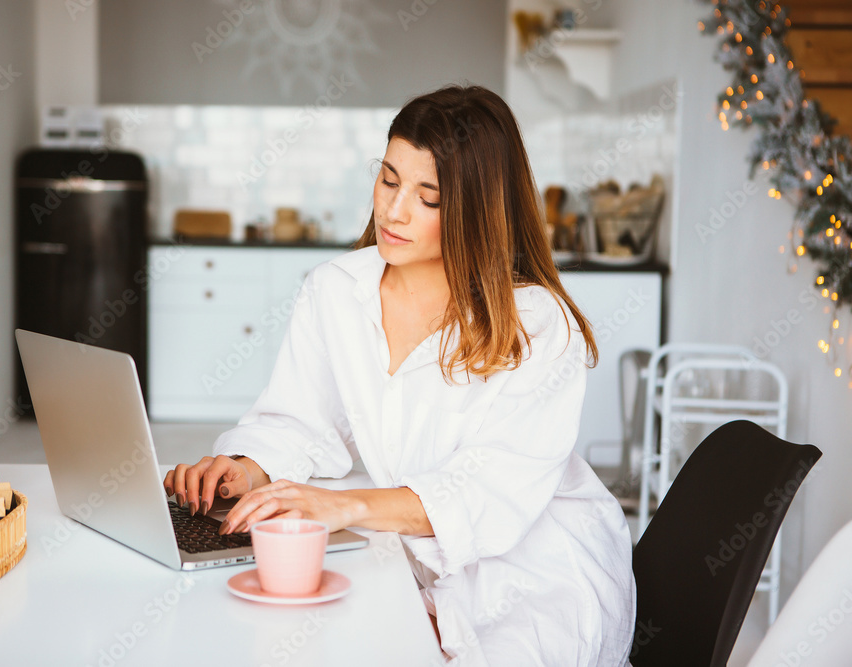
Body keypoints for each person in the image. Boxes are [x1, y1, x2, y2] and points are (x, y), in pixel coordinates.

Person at [165, 84, 636, 666]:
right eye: (388, 180)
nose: (394, 211)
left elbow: (489, 491)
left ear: (477, 209)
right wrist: (244, 468)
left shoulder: (536, 325)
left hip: (534, 567)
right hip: (408, 550)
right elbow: (299, 421)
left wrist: (347, 507)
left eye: (428, 197)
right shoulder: (335, 291)